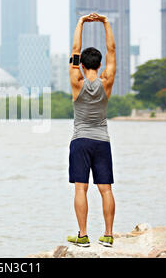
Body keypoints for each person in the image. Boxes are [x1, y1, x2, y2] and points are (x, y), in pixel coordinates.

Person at [66, 13, 117, 248]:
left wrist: (81, 22)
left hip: (80, 141)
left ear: (83, 66)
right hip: (102, 141)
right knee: (105, 190)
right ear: (99, 65)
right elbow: (112, 51)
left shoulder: (77, 82)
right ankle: (108, 235)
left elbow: (75, 48)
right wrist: (105, 23)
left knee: (81, 188)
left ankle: (83, 236)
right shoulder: (107, 81)